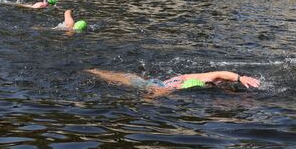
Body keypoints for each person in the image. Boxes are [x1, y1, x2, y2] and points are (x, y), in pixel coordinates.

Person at [87, 68, 260, 97]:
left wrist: (239, 78)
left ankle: (95, 71)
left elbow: (220, 74)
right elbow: (220, 74)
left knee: (126, 78)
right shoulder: (205, 80)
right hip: (162, 87)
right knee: (126, 80)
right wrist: (239, 78)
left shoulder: (203, 78)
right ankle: (95, 72)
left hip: (163, 84)